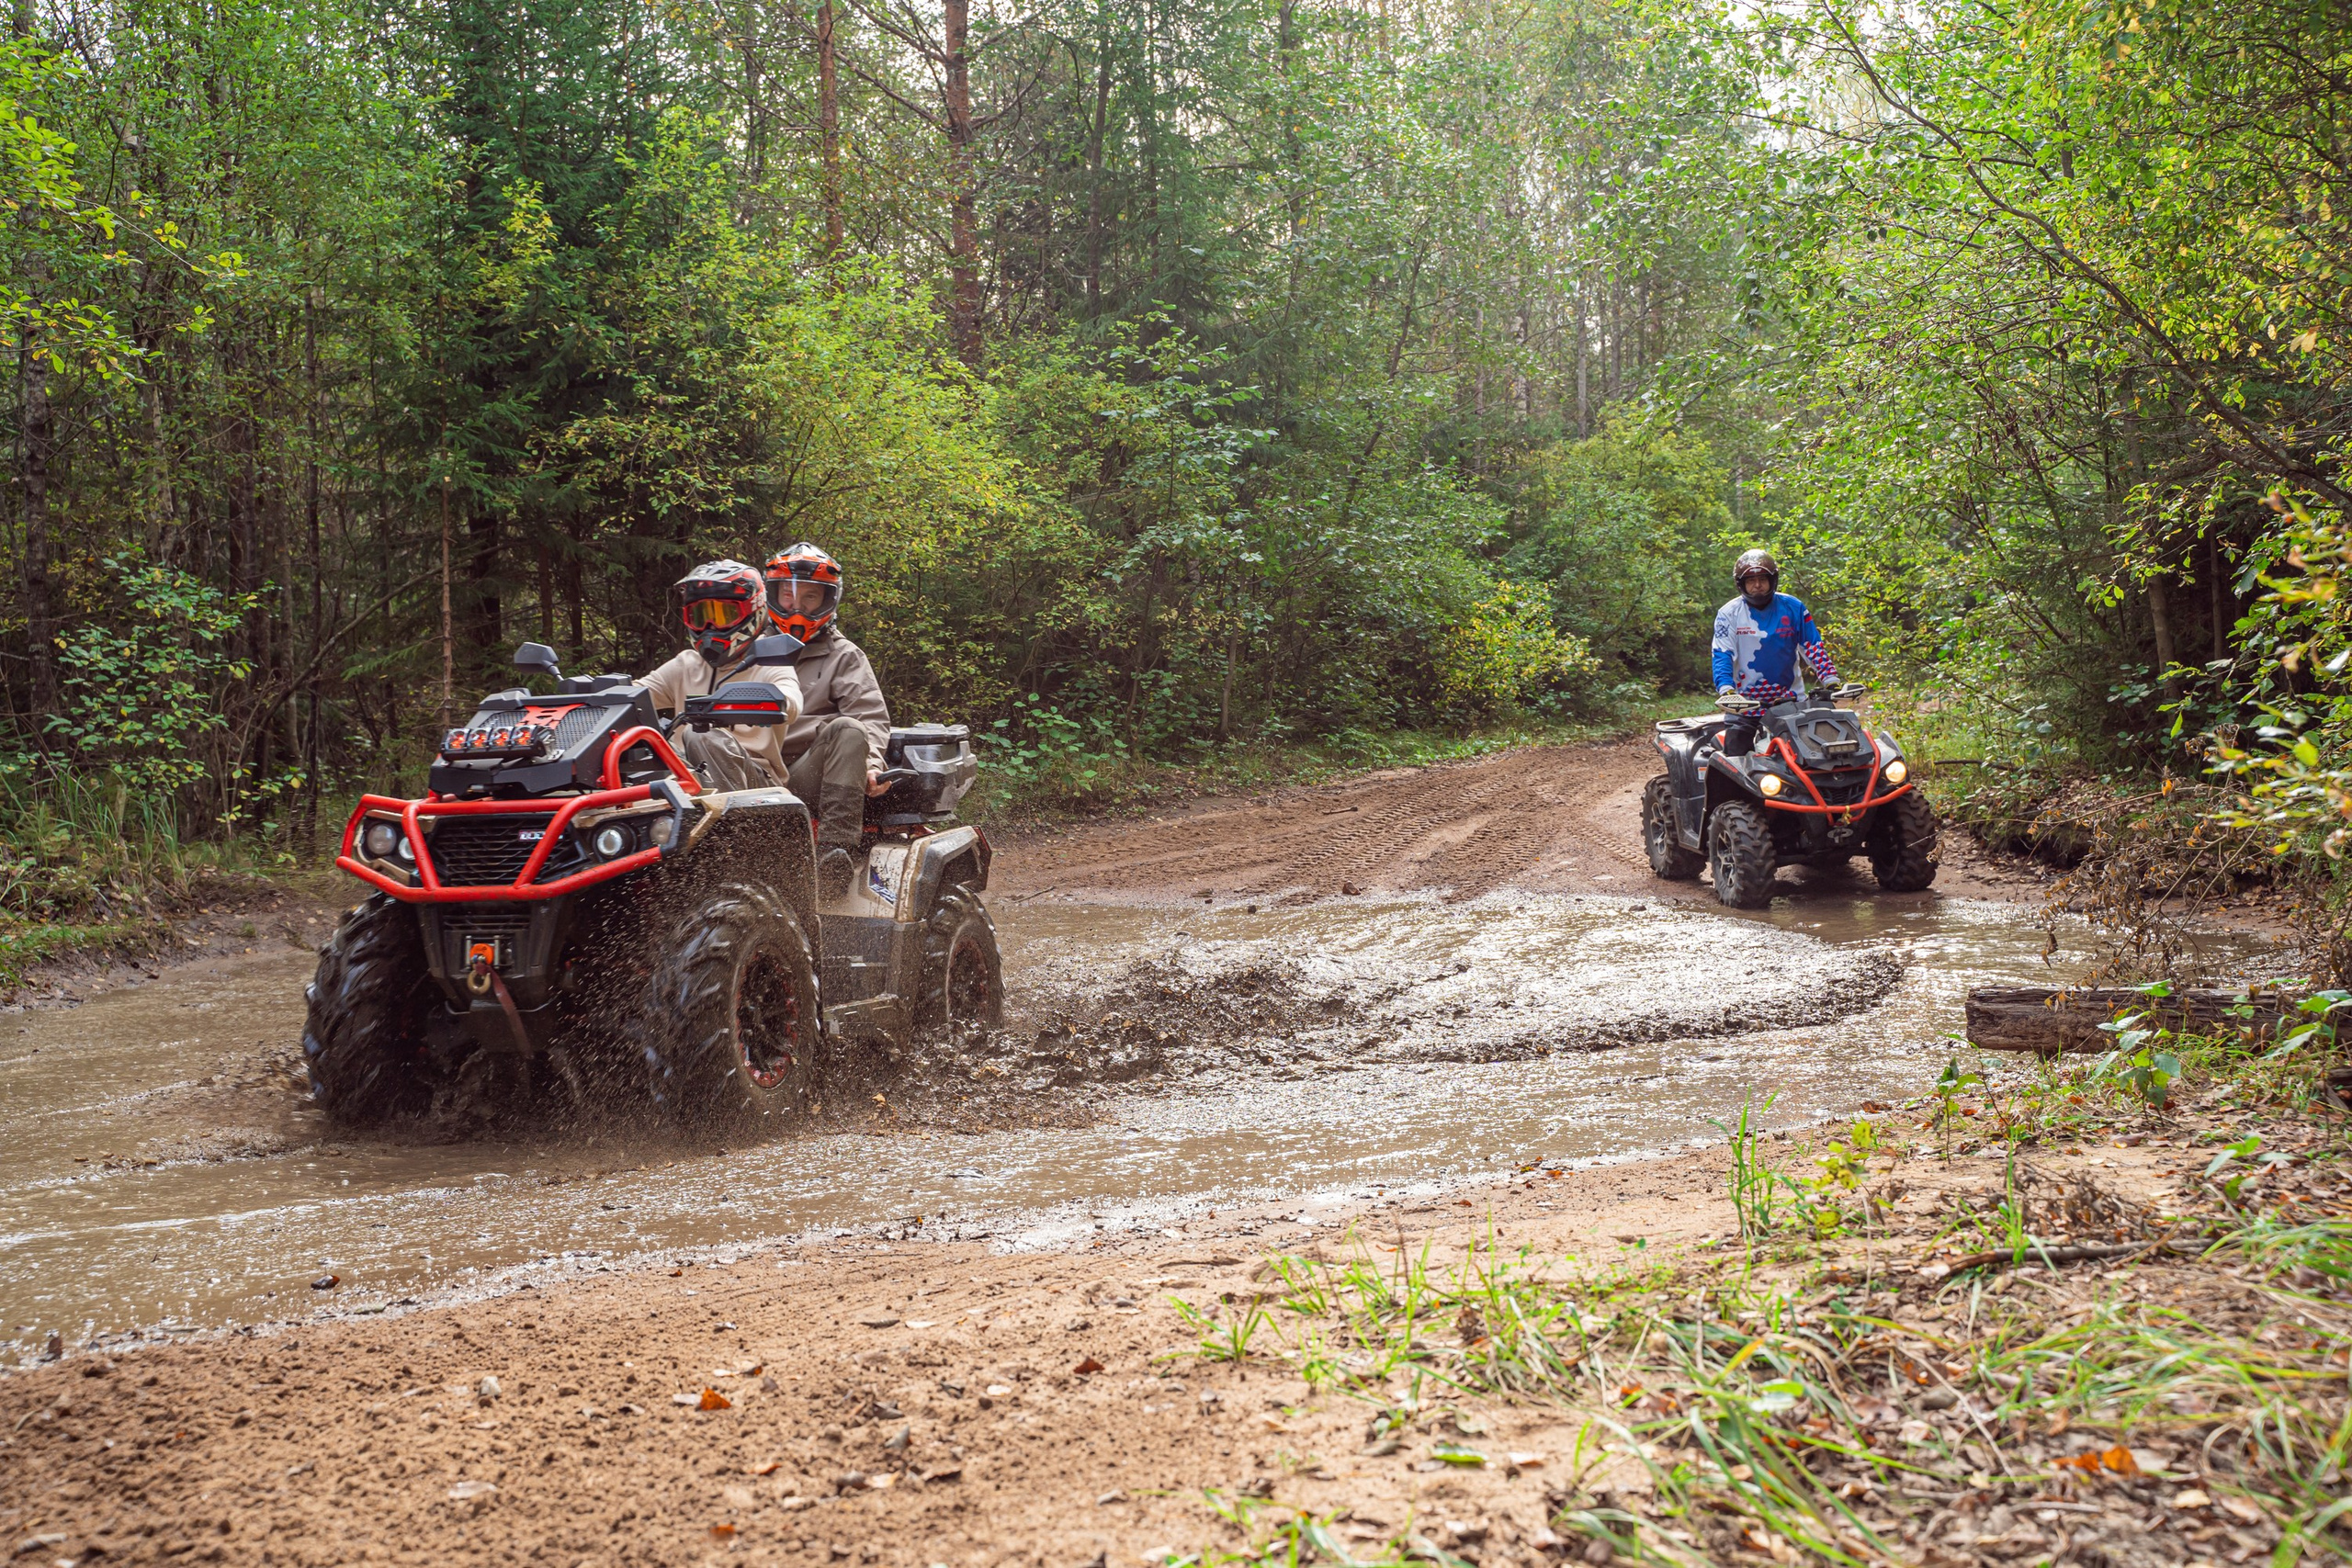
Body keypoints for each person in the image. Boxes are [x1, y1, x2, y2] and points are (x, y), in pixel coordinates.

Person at [763, 543, 893, 897]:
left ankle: (834, 857)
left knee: (848, 729)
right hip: (749, 771)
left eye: (809, 597)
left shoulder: (844, 656)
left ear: (827, 601)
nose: (797, 606)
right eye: (787, 595)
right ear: (771, 596)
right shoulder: (745, 650)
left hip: (807, 772)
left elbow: (869, 716)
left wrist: (869, 765)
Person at [639, 560, 804, 792]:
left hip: (758, 784)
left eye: (722, 614)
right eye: (700, 616)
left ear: (752, 610)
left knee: (701, 735)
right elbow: (635, 695)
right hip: (687, 775)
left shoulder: (770, 659)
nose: (710, 626)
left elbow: (792, 701)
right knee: (642, 747)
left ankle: (733, 828)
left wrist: (762, 701)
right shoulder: (686, 664)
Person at [1711, 548, 1839, 757]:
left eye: (1762, 579)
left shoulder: (1793, 607)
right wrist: (1726, 690)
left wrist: (1830, 679)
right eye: (1751, 580)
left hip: (1792, 702)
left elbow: (1813, 647)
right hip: (1745, 706)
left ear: (1773, 580)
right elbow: (1722, 653)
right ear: (1741, 584)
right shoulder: (1728, 613)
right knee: (1735, 757)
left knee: (1820, 751)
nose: (1757, 585)